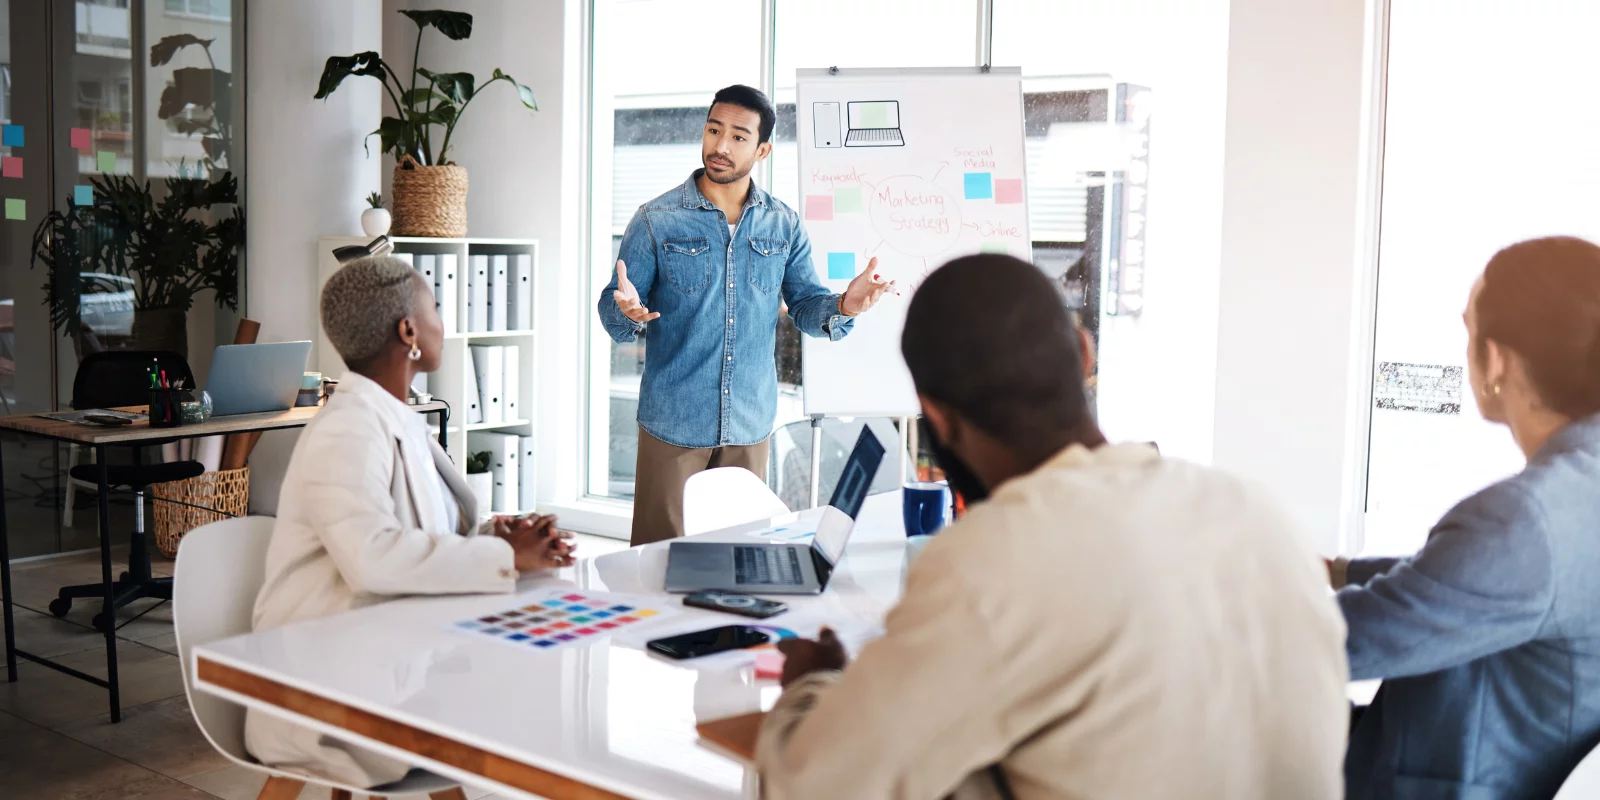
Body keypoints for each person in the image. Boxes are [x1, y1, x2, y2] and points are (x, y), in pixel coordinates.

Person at [758, 254, 1349, 799]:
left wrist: (810, 688)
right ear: (1085, 354)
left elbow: (811, 782)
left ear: (934, 413)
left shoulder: (995, 560)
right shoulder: (1258, 513)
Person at [245, 255, 575, 788]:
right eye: (436, 308)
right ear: (408, 331)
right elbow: (372, 556)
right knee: (537, 714)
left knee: (537, 686)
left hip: (397, 653)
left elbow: (422, 536)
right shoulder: (347, 429)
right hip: (329, 681)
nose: (444, 320)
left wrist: (500, 537)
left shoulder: (401, 418)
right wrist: (502, 558)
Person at [1335, 236, 1600, 800]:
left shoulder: (1529, 520)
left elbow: (1333, 643)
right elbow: (1465, 585)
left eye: (1467, 329)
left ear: (1495, 359)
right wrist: (1334, 572)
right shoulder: (1577, 495)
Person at [597, 84, 894, 546]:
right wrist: (628, 312)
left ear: (763, 149)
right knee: (659, 563)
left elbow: (805, 305)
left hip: (749, 425)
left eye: (738, 136)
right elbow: (616, 311)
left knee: (740, 560)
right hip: (674, 424)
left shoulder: (783, 224)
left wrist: (842, 305)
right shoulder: (656, 219)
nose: (720, 145)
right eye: (714, 130)